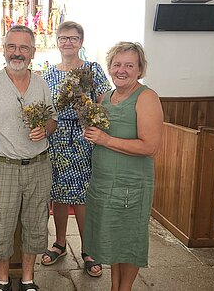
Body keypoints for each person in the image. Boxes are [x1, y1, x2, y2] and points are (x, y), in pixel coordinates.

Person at [0, 25, 57, 291]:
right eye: (12, 46)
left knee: (35, 223)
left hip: (39, 166)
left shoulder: (42, 84)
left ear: (33, 52)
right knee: (1, 224)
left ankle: (29, 279)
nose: (17, 53)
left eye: (23, 47)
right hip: (3, 167)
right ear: (4, 49)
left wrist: (46, 128)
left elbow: (52, 120)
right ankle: (2, 280)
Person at [83, 41, 163, 291]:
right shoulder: (106, 97)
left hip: (130, 184)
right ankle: (115, 287)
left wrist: (105, 139)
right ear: (109, 67)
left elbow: (149, 147)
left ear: (140, 69)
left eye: (129, 65)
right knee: (114, 238)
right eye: (117, 64)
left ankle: (124, 288)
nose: (122, 70)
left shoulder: (146, 97)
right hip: (105, 183)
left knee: (128, 240)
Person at [40, 21, 111, 277]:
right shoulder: (48, 73)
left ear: (81, 41)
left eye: (73, 38)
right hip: (56, 137)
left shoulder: (92, 69)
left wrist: (85, 105)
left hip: (83, 137)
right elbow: (45, 108)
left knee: (83, 195)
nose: (68, 42)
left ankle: (88, 249)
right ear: (56, 42)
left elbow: (105, 103)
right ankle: (59, 243)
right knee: (57, 192)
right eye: (63, 38)